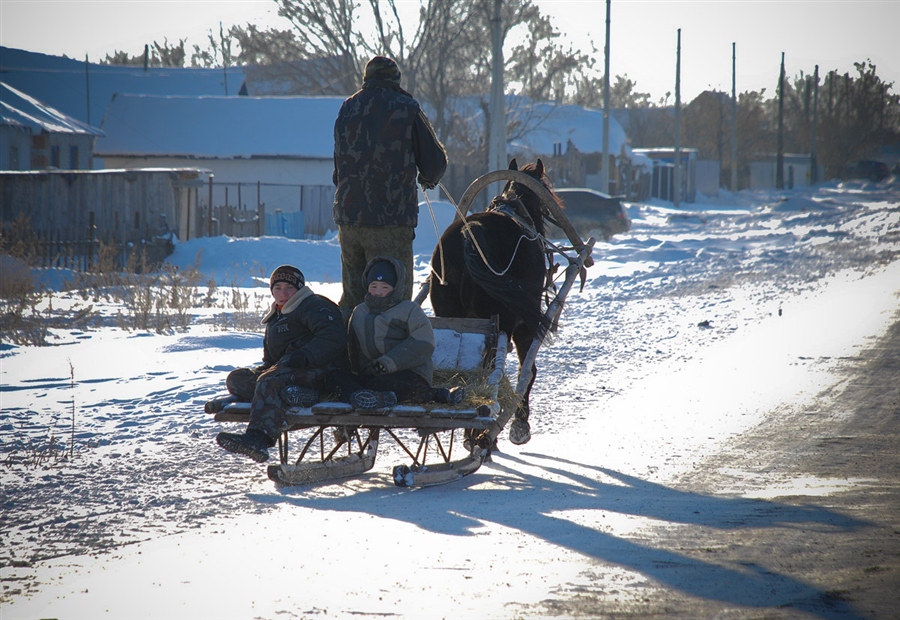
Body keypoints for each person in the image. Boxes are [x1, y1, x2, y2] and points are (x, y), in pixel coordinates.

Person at [332, 55, 448, 322]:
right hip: (391, 221)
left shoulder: (347, 108)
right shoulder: (406, 107)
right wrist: (427, 179)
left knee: (353, 297)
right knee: (392, 296)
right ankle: (390, 356)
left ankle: (346, 353)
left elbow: (339, 168)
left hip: (349, 220)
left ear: (367, 78)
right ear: (395, 80)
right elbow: (434, 162)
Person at [216, 265, 346, 463]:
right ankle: (294, 395)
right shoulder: (275, 317)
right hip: (286, 372)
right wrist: (263, 370)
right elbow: (271, 361)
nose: (283, 293)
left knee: (270, 381)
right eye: (278, 288)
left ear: (300, 289)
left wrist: (305, 355)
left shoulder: (314, 305)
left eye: (289, 287)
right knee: (238, 379)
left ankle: (258, 439)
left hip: (321, 371)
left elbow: (333, 337)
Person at [327, 256, 464, 410]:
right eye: (374, 286)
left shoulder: (409, 310)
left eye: (384, 287)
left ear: (395, 288)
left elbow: (423, 344)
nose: (378, 292)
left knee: (385, 384)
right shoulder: (359, 312)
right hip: (373, 375)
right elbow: (353, 347)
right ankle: (362, 397)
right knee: (336, 378)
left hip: (409, 373)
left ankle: (439, 395)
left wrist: (388, 363)